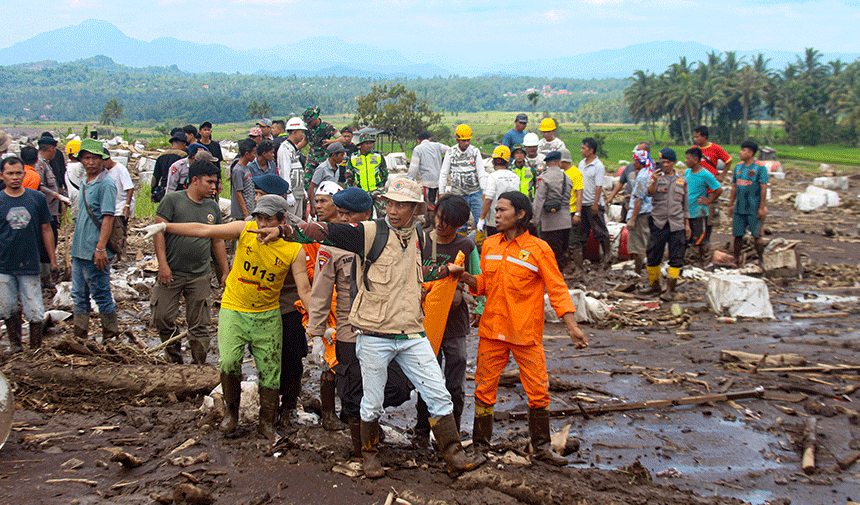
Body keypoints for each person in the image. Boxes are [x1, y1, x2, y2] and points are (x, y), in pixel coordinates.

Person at [252, 178, 484, 478]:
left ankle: (454, 455)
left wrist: (444, 270)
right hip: (374, 333)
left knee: (438, 394)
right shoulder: (369, 232)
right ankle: (369, 454)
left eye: (401, 204)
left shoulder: (421, 238)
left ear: (415, 209)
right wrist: (284, 231)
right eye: (389, 203)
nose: (393, 209)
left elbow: (415, 269)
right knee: (370, 401)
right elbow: (325, 231)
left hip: (412, 333)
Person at [137, 195, 311, 441]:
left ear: (282, 220)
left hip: (266, 314)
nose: (261, 225)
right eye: (259, 218)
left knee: (270, 369)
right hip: (235, 308)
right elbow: (206, 230)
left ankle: (266, 423)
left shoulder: (294, 249)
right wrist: (166, 227)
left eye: (268, 220)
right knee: (229, 361)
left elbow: (304, 290)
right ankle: (231, 414)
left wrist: (318, 323)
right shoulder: (246, 230)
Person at [459, 191, 587, 466]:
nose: (497, 214)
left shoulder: (539, 249)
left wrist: (572, 327)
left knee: (538, 391)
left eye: (503, 210)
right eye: (496, 210)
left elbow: (557, 288)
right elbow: (484, 285)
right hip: (492, 330)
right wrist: (466, 278)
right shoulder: (490, 245)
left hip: (525, 333)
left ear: (521, 215)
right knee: (484, 389)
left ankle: (541, 448)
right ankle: (481, 447)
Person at [308, 187, 412, 453]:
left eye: (349, 213)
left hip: (383, 329)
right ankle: (363, 446)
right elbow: (320, 292)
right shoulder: (331, 246)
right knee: (353, 391)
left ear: (367, 213)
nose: (342, 219)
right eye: (340, 213)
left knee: (399, 386)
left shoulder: (384, 238)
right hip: (349, 331)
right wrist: (317, 334)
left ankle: (368, 419)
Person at [413, 194, 483, 449]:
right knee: (426, 377)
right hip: (425, 320)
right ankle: (421, 432)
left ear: (459, 224)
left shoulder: (466, 245)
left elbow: (477, 280)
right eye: (440, 219)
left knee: (456, 373)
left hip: (454, 322)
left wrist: (479, 304)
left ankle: (451, 434)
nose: (441, 225)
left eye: (449, 223)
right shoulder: (420, 240)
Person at [152, 159, 228, 365]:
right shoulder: (173, 201)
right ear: (194, 180)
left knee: (200, 324)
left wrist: (224, 271)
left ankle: (199, 365)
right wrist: (163, 265)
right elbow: (158, 233)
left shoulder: (212, 207)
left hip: (200, 274)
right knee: (162, 317)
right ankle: (174, 356)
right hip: (172, 272)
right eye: (209, 182)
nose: (214, 187)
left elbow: (217, 240)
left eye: (215, 182)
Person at [0, 157, 56, 352]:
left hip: (31, 261)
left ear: (24, 174)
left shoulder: (36, 198)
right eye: (10, 173)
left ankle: (35, 348)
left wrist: (52, 258)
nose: (15, 177)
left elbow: (46, 229)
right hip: (4, 263)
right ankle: (15, 345)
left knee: (34, 306)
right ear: (2, 176)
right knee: (7, 307)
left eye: (18, 173)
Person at [71, 139, 119, 342]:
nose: (91, 162)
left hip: (95, 250)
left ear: (103, 160)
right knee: (78, 295)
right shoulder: (85, 180)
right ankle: (80, 337)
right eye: (87, 158)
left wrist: (100, 248)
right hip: (80, 249)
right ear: (81, 160)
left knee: (101, 295)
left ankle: (111, 337)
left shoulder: (106, 184)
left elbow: (108, 218)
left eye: (95, 158)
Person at [642, 148, 690, 301]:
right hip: (659, 221)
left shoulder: (681, 180)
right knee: (653, 254)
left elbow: (685, 205)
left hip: (677, 223)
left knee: (676, 256)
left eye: (668, 162)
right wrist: (654, 181)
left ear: (674, 162)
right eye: (663, 162)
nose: (665, 165)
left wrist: (687, 224)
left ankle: (670, 289)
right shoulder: (655, 177)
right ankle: (654, 285)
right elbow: (649, 193)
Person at [729, 140, 768, 267]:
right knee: (738, 235)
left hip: (754, 207)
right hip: (740, 207)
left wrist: (761, 208)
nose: (741, 152)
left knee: (756, 235)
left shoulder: (760, 168)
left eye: (744, 150)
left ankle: (761, 260)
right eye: (741, 150)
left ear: (751, 153)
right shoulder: (738, 167)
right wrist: (731, 204)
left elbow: (763, 189)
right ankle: (736, 259)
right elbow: (734, 186)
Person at [439, 124, 486, 231]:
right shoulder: (451, 152)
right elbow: (444, 173)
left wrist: (484, 190)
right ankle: (461, 245)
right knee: (459, 224)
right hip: (458, 194)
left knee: (481, 221)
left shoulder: (474, 151)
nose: (467, 143)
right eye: (464, 141)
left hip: (475, 192)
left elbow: (481, 172)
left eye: (468, 140)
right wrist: (441, 192)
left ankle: (481, 245)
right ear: (457, 140)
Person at [532, 151, 573, 268]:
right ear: (559, 162)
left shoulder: (543, 179)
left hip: (549, 223)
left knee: (550, 254)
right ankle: (561, 275)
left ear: (547, 163)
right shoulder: (566, 178)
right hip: (565, 222)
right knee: (562, 252)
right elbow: (569, 196)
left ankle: (554, 280)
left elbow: (539, 201)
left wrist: (535, 221)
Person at [576, 137, 611, 269]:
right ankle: (583, 258)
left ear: (591, 150)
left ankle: (607, 256)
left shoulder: (598, 166)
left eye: (584, 148)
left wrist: (595, 204)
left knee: (600, 230)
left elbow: (598, 186)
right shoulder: (581, 163)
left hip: (592, 202)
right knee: (582, 231)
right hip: (583, 203)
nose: (581, 150)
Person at [684, 147, 722, 266]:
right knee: (685, 238)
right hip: (687, 211)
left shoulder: (706, 174)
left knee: (700, 240)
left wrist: (709, 200)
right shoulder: (687, 172)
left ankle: (701, 263)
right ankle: (686, 261)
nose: (686, 161)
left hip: (699, 211)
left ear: (696, 159)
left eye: (688, 158)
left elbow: (719, 189)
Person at [692, 126, 732, 230]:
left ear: (704, 137)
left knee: (709, 215)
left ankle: (706, 240)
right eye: (694, 137)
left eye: (697, 137)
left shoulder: (715, 148)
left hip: (710, 187)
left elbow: (728, 160)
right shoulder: (693, 149)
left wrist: (722, 175)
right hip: (696, 187)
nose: (695, 139)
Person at [479, 146, 521, 237]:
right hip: (512, 221)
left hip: (495, 222)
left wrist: (482, 218)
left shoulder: (493, 177)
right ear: (508, 162)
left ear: (493, 162)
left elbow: (488, 199)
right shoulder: (515, 177)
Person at [407, 131, 447, 225]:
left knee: (429, 204)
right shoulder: (437, 146)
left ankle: (431, 224)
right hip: (440, 180)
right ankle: (441, 221)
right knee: (441, 202)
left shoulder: (418, 149)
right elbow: (450, 150)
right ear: (429, 139)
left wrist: (409, 180)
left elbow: (414, 167)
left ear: (418, 140)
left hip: (428, 181)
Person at [625, 150, 654, 277]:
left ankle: (638, 272)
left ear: (639, 162)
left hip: (641, 213)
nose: (633, 163)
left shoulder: (642, 176)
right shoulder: (648, 172)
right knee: (645, 240)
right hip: (648, 211)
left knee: (638, 244)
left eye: (635, 160)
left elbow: (639, 199)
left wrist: (632, 218)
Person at [101, 149, 135, 256]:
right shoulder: (104, 171)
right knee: (111, 233)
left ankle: (121, 255)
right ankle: (115, 254)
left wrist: (127, 205)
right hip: (111, 206)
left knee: (119, 232)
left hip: (121, 205)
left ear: (107, 159)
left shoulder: (120, 169)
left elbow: (129, 188)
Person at [606, 141, 650, 221]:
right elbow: (620, 182)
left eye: (639, 151)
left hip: (644, 207)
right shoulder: (630, 167)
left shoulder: (651, 170)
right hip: (628, 202)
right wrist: (611, 197)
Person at [277, 117, 308, 219]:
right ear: (295, 132)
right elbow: (285, 172)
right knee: (290, 219)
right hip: (291, 193)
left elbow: (297, 170)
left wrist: (302, 189)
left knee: (298, 219)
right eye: (302, 132)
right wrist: (288, 192)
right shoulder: (285, 149)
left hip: (297, 192)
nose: (303, 135)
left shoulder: (294, 149)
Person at [561, 148, 585, 275]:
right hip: (564, 211)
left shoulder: (575, 173)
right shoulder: (564, 172)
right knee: (565, 240)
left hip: (572, 211)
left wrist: (577, 213)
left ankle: (579, 268)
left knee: (573, 240)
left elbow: (579, 194)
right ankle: (569, 265)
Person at [308, 142, 346, 217]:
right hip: (321, 203)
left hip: (331, 203)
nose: (343, 158)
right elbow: (312, 187)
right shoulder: (322, 168)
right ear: (333, 155)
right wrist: (312, 207)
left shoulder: (337, 167)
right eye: (341, 155)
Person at [151, 133, 187, 203]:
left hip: (163, 190)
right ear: (184, 144)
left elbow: (155, 177)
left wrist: (153, 191)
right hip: (178, 190)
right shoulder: (184, 156)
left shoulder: (161, 156)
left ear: (172, 143)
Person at [302, 107, 338, 175]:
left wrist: (330, 142)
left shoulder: (327, 127)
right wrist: (294, 147)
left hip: (324, 159)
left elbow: (341, 139)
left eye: (310, 121)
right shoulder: (308, 128)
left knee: (324, 180)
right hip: (311, 160)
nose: (308, 123)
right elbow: (304, 141)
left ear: (315, 118)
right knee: (307, 180)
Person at [230, 139, 257, 221]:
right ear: (247, 154)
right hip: (242, 214)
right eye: (253, 153)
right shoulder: (238, 170)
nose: (255, 156)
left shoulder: (246, 167)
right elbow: (238, 193)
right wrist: (245, 213)